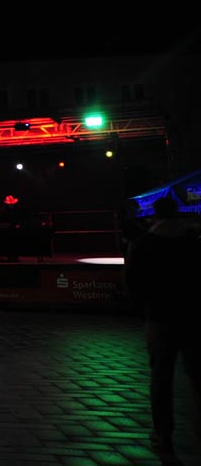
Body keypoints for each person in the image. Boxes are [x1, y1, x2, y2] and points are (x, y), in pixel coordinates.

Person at [122, 195, 201, 464]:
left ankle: (163, 435)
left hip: (159, 318)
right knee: (198, 378)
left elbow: (132, 282)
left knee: (161, 379)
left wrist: (142, 311)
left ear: (154, 215)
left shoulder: (144, 243)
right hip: (193, 317)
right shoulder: (193, 242)